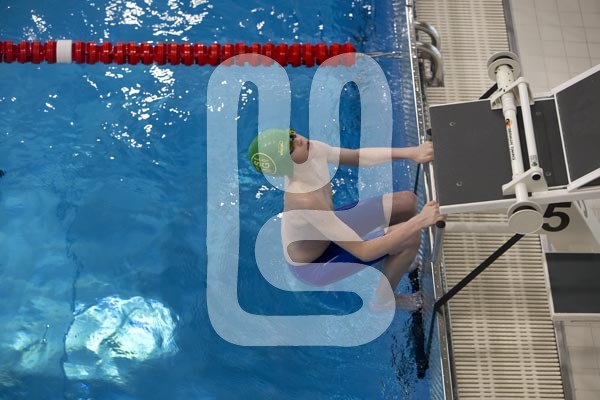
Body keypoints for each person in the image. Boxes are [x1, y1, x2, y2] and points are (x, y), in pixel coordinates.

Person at [248, 128, 445, 311]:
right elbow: (364, 251)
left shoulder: (313, 150)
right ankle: (383, 301)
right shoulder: (303, 199)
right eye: (290, 148)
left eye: (291, 135)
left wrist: (412, 152)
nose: (298, 140)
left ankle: (393, 260)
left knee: (407, 202)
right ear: (285, 164)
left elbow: (357, 156)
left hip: (328, 230)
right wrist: (420, 221)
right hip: (315, 264)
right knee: (411, 237)